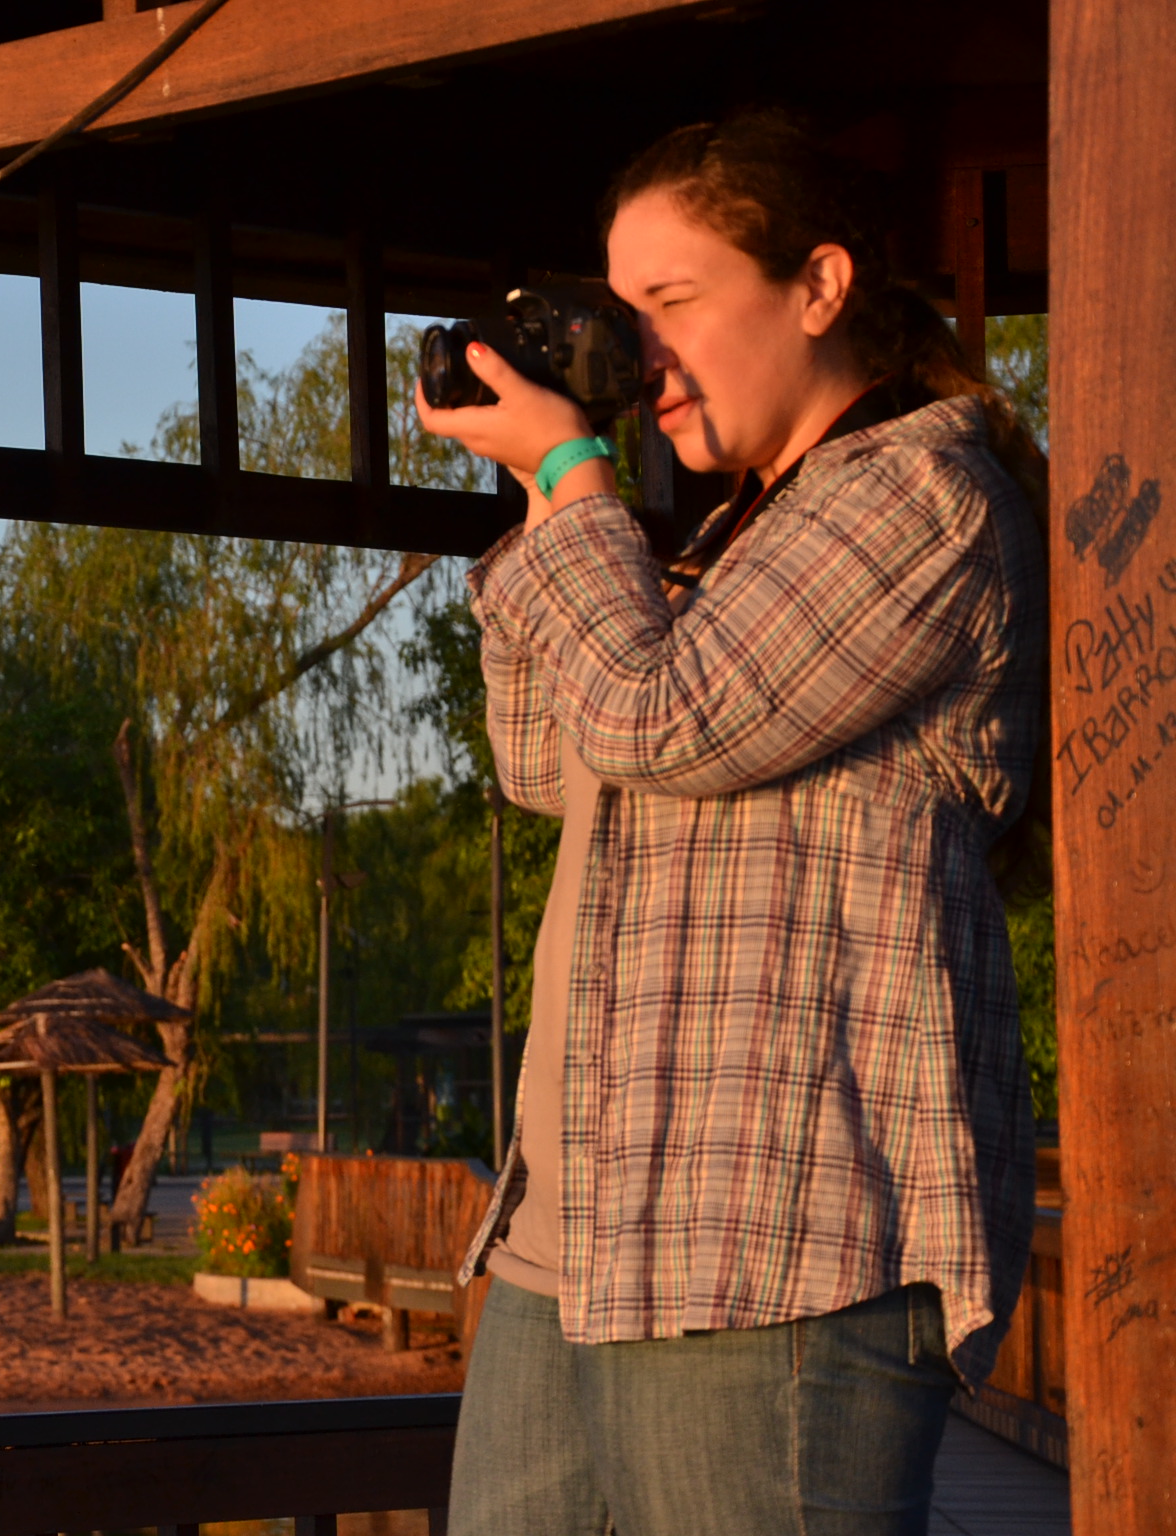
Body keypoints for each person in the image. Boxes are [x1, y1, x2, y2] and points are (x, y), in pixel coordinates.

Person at [416, 111, 1047, 1536]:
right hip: (569, 1236)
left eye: (673, 304)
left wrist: (579, 483)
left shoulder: (922, 498)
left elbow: (658, 724)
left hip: (775, 1245)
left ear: (818, 287)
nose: (640, 354)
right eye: (619, 312)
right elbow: (538, 757)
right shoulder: (715, 540)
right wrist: (544, 485)